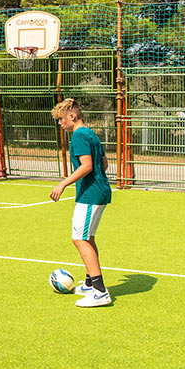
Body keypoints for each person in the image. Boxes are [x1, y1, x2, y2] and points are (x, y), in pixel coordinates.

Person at [48, 99, 112, 308]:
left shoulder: (78, 136)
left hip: (90, 194)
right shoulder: (91, 133)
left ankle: (100, 292)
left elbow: (87, 165)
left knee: (79, 239)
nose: (59, 124)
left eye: (61, 119)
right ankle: (89, 284)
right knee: (88, 237)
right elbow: (104, 163)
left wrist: (62, 184)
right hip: (100, 191)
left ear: (72, 117)